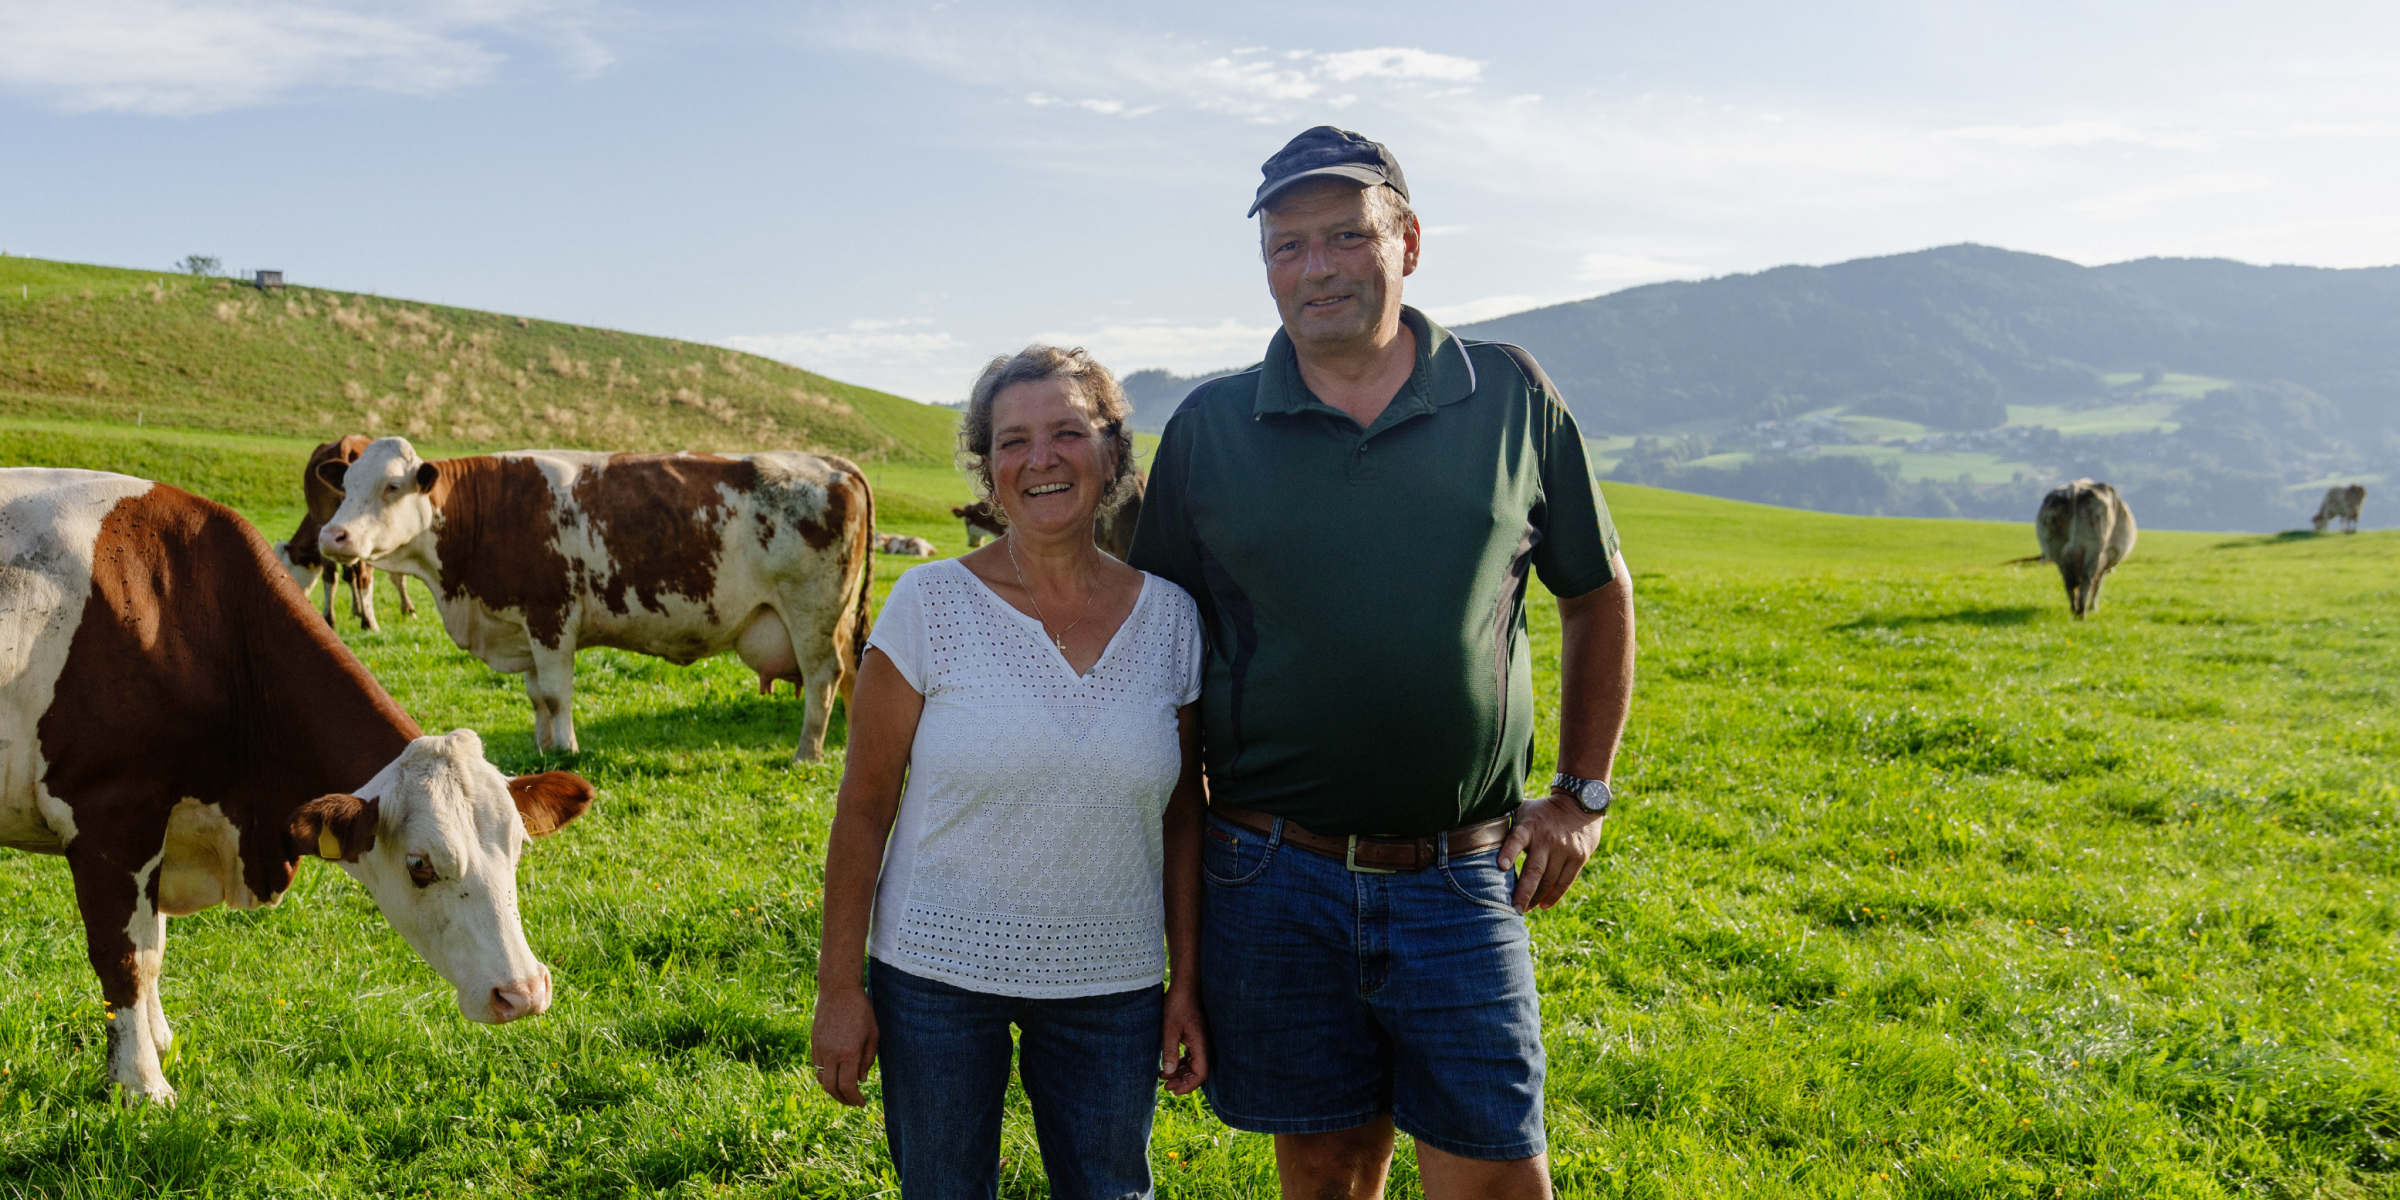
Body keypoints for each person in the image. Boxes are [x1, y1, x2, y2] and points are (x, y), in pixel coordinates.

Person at [1128, 126, 1637, 1199]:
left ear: (1407, 241)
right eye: (1288, 246)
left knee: (1501, 1177)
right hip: (1269, 871)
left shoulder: (1508, 396)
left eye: (1346, 237)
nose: (1316, 268)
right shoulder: (1213, 428)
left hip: (1464, 870)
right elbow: (1160, 653)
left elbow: (1596, 593)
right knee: (1321, 1172)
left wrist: (1583, 794)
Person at [810, 346, 1211, 1200]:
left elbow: (1185, 816)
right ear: (989, 469)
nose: (1040, 459)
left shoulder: (1172, 620)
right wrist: (840, 989)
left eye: (1068, 432)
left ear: (1111, 453)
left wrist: (1187, 981)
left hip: (1113, 978)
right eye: (1012, 440)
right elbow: (863, 811)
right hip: (934, 978)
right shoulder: (928, 605)